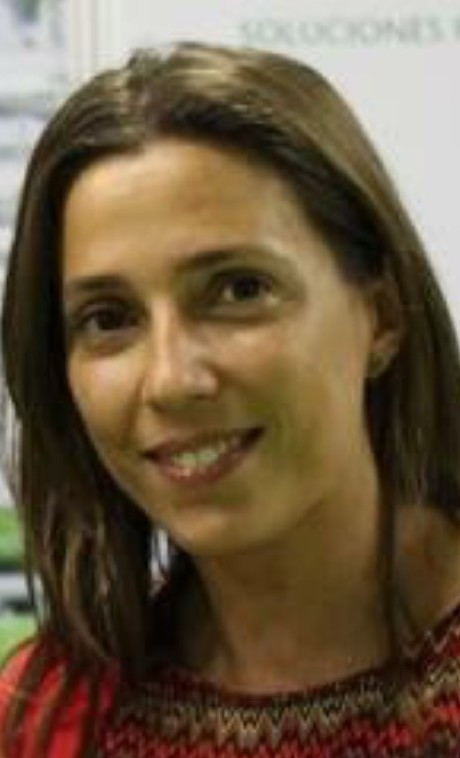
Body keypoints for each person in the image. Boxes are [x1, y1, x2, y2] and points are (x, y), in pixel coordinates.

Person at [1, 40, 460, 758]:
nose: (171, 379)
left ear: (382, 315)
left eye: (239, 290)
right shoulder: (47, 718)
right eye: (109, 319)